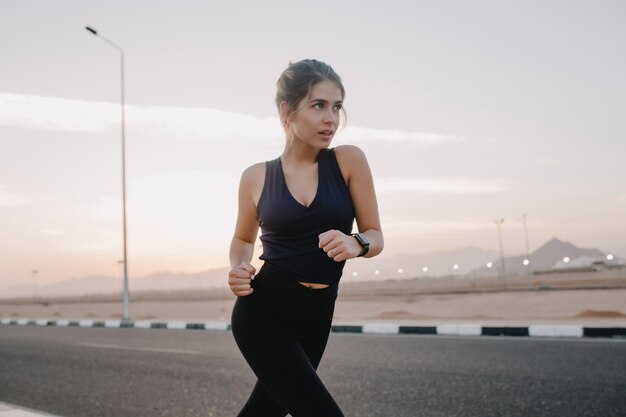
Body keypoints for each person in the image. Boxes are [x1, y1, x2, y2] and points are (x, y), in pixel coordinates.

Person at [228, 59, 383, 417]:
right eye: (318, 105)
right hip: (262, 310)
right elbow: (242, 238)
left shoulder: (348, 161)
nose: (331, 118)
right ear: (287, 111)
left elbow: (376, 236)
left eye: (337, 107)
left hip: (316, 314)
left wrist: (356, 243)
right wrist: (239, 266)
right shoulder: (255, 177)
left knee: (263, 413)